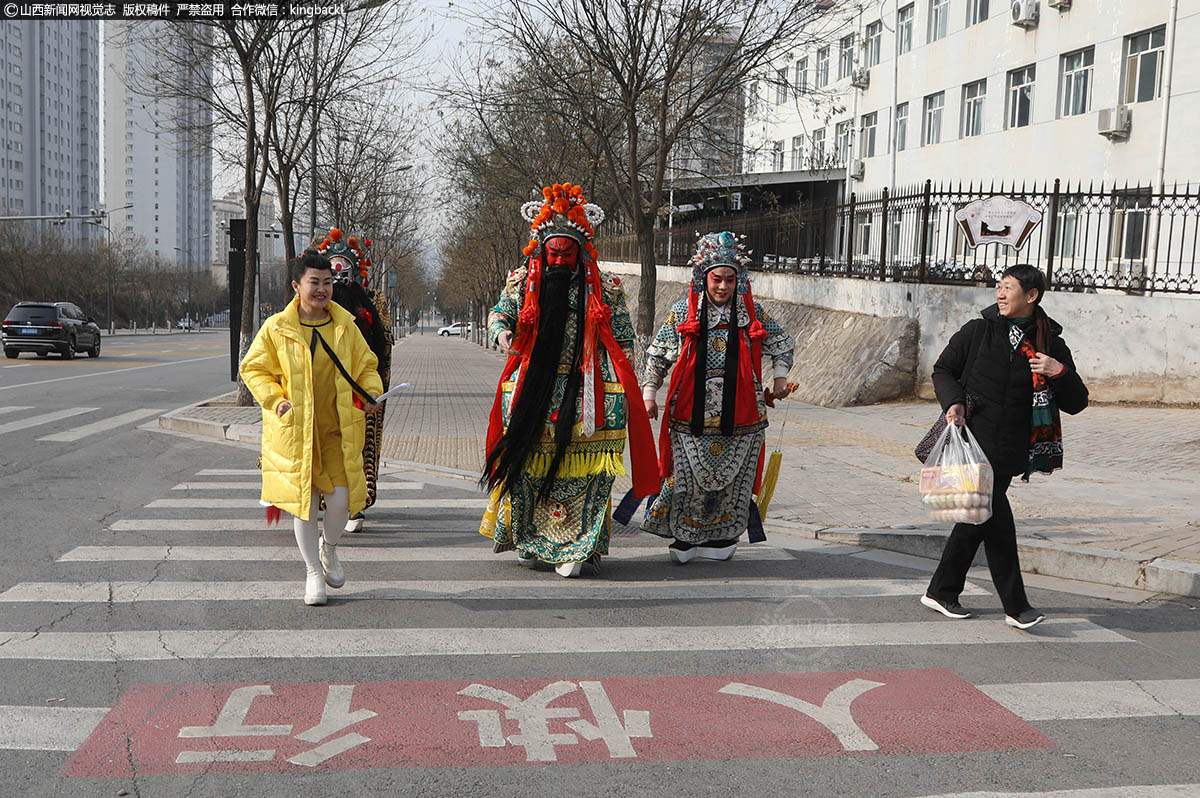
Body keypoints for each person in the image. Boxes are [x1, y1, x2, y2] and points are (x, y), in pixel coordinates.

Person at [478, 182, 658, 577]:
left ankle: (583, 541)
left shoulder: (606, 288)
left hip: (588, 385)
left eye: (567, 252)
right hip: (534, 383)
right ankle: (527, 535)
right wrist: (502, 332)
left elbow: (624, 339)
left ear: (581, 252)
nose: (559, 259)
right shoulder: (523, 281)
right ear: (543, 249)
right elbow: (498, 314)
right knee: (527, 461)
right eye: (553, 252)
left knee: (592, 465)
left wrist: (627, 385)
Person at [921, 263, 1088, 629]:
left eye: (1008, 287)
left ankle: (942, 590)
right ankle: (1016, 606)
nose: (999, 293)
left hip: (1013, 447)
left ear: (1031, 296)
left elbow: (1077, 402)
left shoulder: (1050, 344)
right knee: (997, 522)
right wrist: (953, 401)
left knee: (976, 520)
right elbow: (943, 369)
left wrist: (1057, 371)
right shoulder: (979, 331)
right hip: (976, 443)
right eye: (999, 286)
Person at [637, 231, 794, 562]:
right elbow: (659, 356)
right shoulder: (683, 312)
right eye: (716, 279)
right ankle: (684, 536)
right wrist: (649, 393)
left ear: (739, 281)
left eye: (729, 280)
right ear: (702, 277)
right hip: (688, 416)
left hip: (743, 418)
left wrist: (780, 378)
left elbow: (782, 343)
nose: (723, 287)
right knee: (685, 479)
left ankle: (722, 538)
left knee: (731, 480)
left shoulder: (752, 313)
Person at [241, 252, 383, 605]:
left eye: (327, 283)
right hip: (297, 432)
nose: (322, 290)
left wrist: (372, 392)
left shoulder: (345, 327)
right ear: (296, 286)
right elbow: (253, 369)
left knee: (340, 501)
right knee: (303, 506)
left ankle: (329, 548)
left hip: (337, 430)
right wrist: (276, 401)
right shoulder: (276, 328)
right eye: (314, 282)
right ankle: (312, 573)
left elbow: (367, 367)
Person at [317, 229, 394, 533]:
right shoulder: (315, 300)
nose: (337, 276)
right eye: (331, 269)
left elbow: (385, 343)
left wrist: (377, 387)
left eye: (343, 269)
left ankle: (355, 506)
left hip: (361, 386)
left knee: (360, 447)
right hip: (323, 387)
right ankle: (322, 501)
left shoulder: (373, 300)